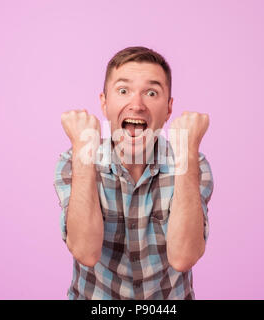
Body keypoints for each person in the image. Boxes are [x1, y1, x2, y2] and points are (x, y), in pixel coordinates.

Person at [53, 46, 214, 299]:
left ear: (169, 109)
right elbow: (85, 251)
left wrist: (187, 152)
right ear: (104, 104)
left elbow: (184, 257)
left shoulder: (194, 164)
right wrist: (84, 150)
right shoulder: (74, 161)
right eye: (123, 91)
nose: (137, 105)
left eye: (151, 93)